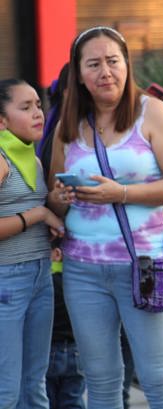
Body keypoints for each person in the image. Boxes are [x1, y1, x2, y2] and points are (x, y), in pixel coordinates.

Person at [48, 26, 163, 408]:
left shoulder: (152, 112)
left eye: (113, 61)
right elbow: (55, 201)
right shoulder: (69, 123)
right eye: (93, 64)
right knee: (99, 381)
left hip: (143, 265)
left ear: (127, 65)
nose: (105, 72)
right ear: (78, 73)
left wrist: (122, 193)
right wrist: (61, 196)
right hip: (83, 270)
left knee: (159, 380)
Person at [0, 78, 64, 408]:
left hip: (40, 275)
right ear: (1, 121)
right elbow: (30, 213)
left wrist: (53, 209)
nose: (38, 113)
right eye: (25, 108)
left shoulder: (34, 159)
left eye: (38, 105)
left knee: (34, 383)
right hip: (7, 280)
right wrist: (37, 215)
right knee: (7, 389)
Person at [45, 243, 86, 409]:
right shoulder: (80, 285)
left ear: (56, 253)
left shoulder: (46, 286)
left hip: (49, 350)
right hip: (77, 352)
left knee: (47, 400)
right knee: (73, 401)